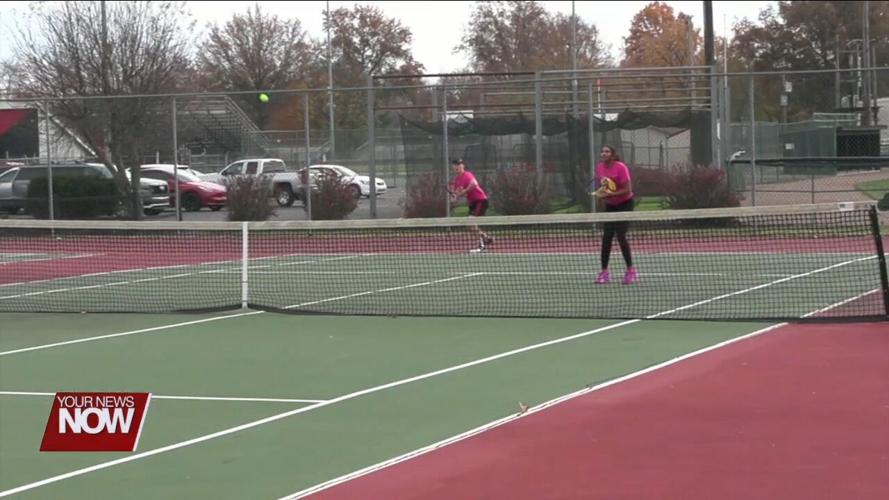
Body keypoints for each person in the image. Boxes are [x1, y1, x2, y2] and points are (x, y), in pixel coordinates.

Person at [592, 145, 637, 284]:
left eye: (607, 151)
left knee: (621, 236)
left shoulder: (620, 167)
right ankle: (604, 272)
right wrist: (602, 196)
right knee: (606, 238)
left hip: (625, 203)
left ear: (612, 154)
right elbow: (604, 187)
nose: (603, 153)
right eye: (602, 151)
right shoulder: (599, 168)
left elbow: (628, 189)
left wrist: (612, 194)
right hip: (611, 205)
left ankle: (631, 271)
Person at [449, 158, 494, 252]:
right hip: (473, 203)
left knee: (471, 223)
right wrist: (455, 197)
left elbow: (474, 184)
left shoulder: (467, 175)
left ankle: (482, 245)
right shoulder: (457, 180)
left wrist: (463, 191)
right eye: (455, 165)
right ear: (453, 167)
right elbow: (460, 193)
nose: (457, 167)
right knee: (470, 225)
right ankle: (486, 238)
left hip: (481, 200)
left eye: (459, 165)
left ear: (463, 166)